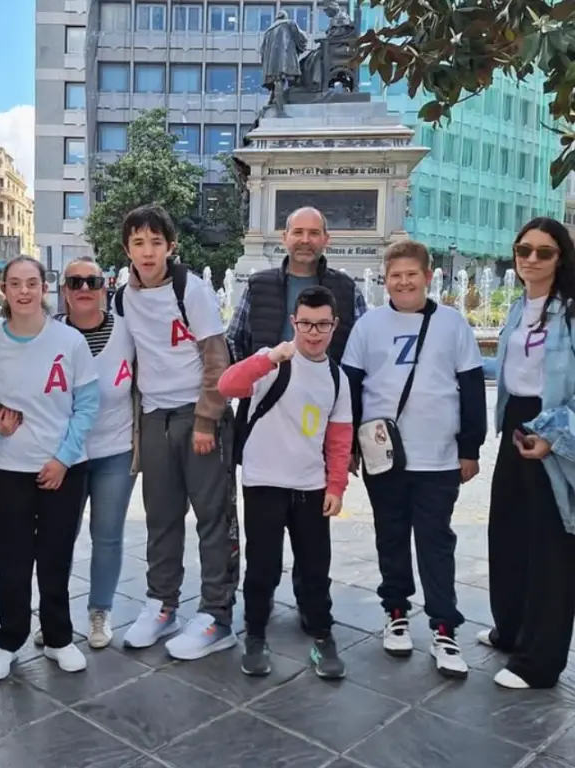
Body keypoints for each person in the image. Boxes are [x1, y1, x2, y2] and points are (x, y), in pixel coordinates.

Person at [341, 240, 486, 679]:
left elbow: (473, 387)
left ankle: (444, 627)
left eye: (411, 274)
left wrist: (470, 447)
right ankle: (396, 610)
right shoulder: (368, 326)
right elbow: (350, 386)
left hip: (439, 456)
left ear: (427, 276)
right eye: (395, 275)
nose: (403, 282)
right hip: (385, 455)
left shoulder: (453, 324)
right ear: (385, 279)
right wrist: (348, 447)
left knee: (436, 542)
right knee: (391, 535)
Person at [227, 205, 366, 632]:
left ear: (326, 239)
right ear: (284, 237)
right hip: (269, 416)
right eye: (297, 232)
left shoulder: (345, 288)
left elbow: (358, 359)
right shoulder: (261, 284)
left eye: (314, 232)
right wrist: (257, 376)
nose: (305, 240)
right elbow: (235, 340)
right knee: (264, 539)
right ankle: (260, 603)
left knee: (312, 536)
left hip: (322, 417)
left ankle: (311, 603)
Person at [116, 204, 239, 660]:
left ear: (171, 246)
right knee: (161, 518)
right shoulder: (124, 296)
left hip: (197, 416)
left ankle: (216, 615)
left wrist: (207, 419)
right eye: (137, 243)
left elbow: (216, 357)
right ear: (127, 248)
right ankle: (162, 603)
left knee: (212, 517)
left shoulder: (193, 290)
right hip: (154, 417)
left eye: (155, 242)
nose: (147, 252)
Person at [218, 286, 353, 679]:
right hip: (264, 481)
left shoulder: (336, 377)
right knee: (263, 566)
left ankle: (322, 634)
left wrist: (336, 486)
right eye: (307, 324)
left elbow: (339, 438)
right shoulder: (271, 361)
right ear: (294, 322)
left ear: (334, 325)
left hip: (310, 486)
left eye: (322, 325)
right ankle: (255, 634)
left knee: (315, 565)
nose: (314, 333)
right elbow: (228, 386)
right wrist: (269, 358)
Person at [0, 256, 100, 681]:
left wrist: (63, 458)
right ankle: (8, 639)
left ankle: (58, 637)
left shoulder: (69, 341)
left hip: (62, 468)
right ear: (3, 289)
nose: (24, 291)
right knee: (11, 561)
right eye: (15, 283)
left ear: (45, 288)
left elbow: (87, 405)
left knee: (54, 557)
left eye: (32, 282)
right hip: (8, 468)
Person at [481, 218, 575, 690]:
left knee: (551, 551)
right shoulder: (520, 306)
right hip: (516, 427)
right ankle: (512, 630)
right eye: (524, 250)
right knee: (509, 534)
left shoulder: (572, 312)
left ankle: (539, 662)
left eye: (544, 252)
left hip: (553, 432)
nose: (531, 259)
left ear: (562, 259)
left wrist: (555, 438)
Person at [37, 256, 136, 649]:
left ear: (105, 288)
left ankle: (101, 611)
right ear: (63, 290)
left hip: (115, 450)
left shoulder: (128, 333)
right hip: (65, 455)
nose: (83, 289)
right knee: (57, 538)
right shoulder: (49, 333)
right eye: (74, 282)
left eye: (92, 282)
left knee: (107, 536)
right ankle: (53, 616)